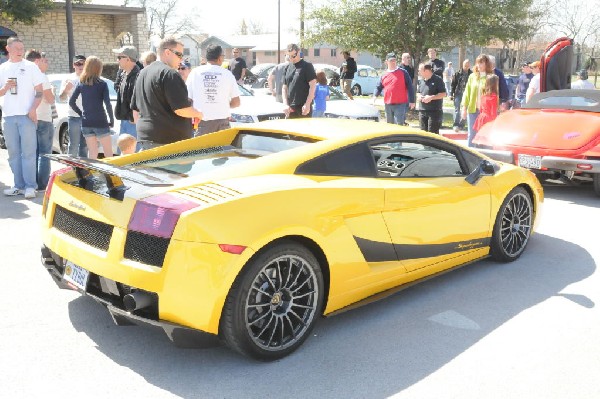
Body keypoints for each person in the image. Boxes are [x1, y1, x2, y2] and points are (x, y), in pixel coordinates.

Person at [131, 37, 202, 150]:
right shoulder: (170, 74)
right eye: (179, 54)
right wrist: (198, 114)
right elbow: (181, 109)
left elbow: (135, 110)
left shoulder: (142, 73)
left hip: (146, 139)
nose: (181, 59)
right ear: (167, 52)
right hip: (169, 143)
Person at [0, 37, 44, 199]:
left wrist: (33, 109)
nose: (20, 51)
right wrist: (4, 88)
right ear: (8, 48)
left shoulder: (31, 67)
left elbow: (39, 91)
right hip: (8, 117)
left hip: (26, 116)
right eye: (17, 48)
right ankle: (18, 185)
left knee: (29, 153)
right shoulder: (2, 68)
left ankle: (30, 186)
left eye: (21, 48)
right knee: (13, 154)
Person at [186, 44, 240, 136]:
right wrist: (222, 105)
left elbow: (187, 99)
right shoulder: (227, 74)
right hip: (223, 124)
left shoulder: (195, 73)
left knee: (202, 150)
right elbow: (236, 102)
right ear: (219, 58)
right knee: (223, 149)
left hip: (202, 124)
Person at [69, 56, 114, 159]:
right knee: (108, 154)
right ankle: (110, 175)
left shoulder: (81, 83)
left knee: (92, 154)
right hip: (100, 121)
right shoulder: (102, 84)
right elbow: (108, 104)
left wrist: (81, 114)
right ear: (99, 68)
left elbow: (71, 102)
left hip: (86, 122)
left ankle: (91, 175)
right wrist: (111, 120)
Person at [25, 49, 55, 190]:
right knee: (45, 153)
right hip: (43, 118)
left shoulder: (25, 76)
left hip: (30, 118)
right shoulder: (42, 77)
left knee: (33, 152)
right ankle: (43, 183)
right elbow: (50, 99)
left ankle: (33, 182)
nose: (47, 63)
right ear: (37, 61)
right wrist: (52, 93)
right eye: (44, 60)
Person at [373, 53, 415, 125]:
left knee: (399, 124)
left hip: (400, 104)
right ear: (386, 62)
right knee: (389, 125)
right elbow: (378, 87)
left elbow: (410, 86)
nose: (393, 62)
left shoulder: (403, 72)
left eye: (394, 60)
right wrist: (374, 96)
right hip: (388, 104)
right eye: (391, 60)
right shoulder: (384, 74)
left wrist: (412, 101)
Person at [112, 45, 140, 153]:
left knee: (133, 157)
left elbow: (139, 100)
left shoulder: (138, 76)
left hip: (133, 122)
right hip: (124, 121)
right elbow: (117, 88)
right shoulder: (123, 74)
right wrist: (119, 72)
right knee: (123, 155)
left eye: (119, 58)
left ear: (128, 59)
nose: (117, 60)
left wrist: (134, 117)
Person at [462, 54, 494, 146]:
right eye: (477, 63)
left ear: (486, 64)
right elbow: (467, 93)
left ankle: (483, 156)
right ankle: (469, 156)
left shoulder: (491, 77)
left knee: (484, 135)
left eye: (481, 63)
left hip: (485, 112)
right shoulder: (472, 76)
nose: (479, 65)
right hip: (473, 110)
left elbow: (494, 96)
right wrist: (464, 108)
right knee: (472, 134)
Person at [59, 54, 88, 157]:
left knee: (84, 146)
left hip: (87, 116)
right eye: (78, 63)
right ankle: (71, 169)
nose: (80, 66)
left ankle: (83, 171)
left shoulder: (90, 78)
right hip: (73, 117)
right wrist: (66, 89)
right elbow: (61, 97)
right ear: (73, 65)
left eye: (83, 63)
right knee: (73, 145)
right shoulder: (68, 78)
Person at [282, 43, 317, 118]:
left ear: (298, 52)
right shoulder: (287, 67)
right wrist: (285, 104)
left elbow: (313, 85)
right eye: (288, 56)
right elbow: (284, 88)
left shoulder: (307, 66)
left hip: (303, 108)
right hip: (290, 108)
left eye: (293, 56)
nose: (291, 58)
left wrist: (307, 104)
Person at [417, 62, 446, 134]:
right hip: (422, 111)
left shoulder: (437, 80)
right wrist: (419, 96)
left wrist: (431, 97)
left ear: (426, 71)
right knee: (423, 134)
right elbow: (418, 92)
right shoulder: (421, 81)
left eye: (420, 70)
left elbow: (443, 94)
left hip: (434, 112)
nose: (418, 72)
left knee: (432, 134)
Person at [450, 59, 471, 132]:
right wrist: (451, 94)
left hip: (467, 94)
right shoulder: (457, 73)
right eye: (465, 65)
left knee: (465, 109)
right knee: (457, 110)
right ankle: (456, 124)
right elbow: (453, 84)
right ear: (463, 65)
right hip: (458, 93)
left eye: (468, 65)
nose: (466, 67)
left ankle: (462, 125)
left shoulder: (471, 74)